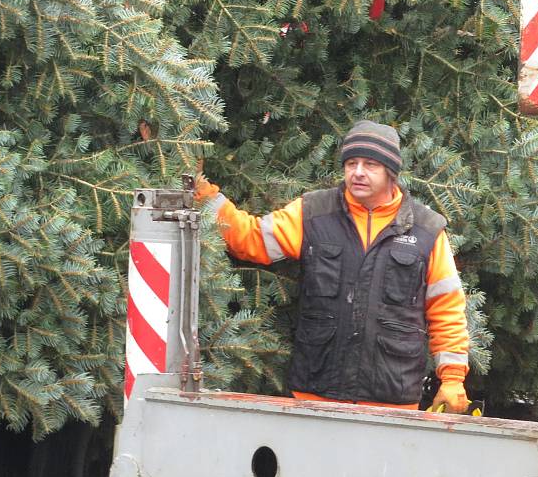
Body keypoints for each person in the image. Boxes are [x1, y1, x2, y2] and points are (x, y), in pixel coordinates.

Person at [195, 120, 470, 412]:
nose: (358, 172)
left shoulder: (426, 230)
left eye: (370, 164)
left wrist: (452, 379)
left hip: (392, 403)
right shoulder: (313, 213)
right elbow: (251, 238)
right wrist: (202, 193)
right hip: (314, 396)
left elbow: (446, 308)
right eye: (351, 163)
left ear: (391, 172)